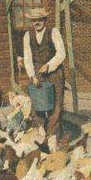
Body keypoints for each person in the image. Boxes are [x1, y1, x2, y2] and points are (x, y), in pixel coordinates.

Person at [23, 7, 66, 137]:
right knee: (37, 106)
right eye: (34, 20)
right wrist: (32, 75)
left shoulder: (54, 32)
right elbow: (27, 57)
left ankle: (52, 136)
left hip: (54, 74)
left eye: (39, 20)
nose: (37, 23)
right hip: (37, 75)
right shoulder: (27, 35)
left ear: (45, 20)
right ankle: (40, 134)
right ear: (31, 22)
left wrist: (49, 65)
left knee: (56, 107)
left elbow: (61, 53)